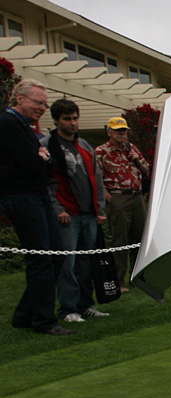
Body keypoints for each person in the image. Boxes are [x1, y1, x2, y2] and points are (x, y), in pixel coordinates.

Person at [0, 80, 75, 335]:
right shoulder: (9, 124)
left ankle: (25, 315)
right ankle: (44, 320)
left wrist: (41, 160)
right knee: (42, 258)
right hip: (22, 197)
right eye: (37, 102)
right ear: (20, 99)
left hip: (34, 195)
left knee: (55, 255)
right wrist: (40, 159)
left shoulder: (24, 127)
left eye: (44, 103)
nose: (42, 107)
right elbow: (34, 164)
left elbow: (47, 163)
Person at [43, 99, 110, 323]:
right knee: (67, 263)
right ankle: (68, 309)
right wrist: (57, 209)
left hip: (89, 214)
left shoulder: (84, 145)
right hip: (66, 214)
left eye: (75, 118)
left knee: (86, 262)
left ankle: (86, 304)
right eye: (67, 119)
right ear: (55, 120)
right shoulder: (48, 144)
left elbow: (96, 178)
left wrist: (99, 209)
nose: (72, 123)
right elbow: (46, 182)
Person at [96, 116, 150, 292]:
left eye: (124, 130)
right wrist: (109, 199)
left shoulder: (131, 148)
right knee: (120, 240)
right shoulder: (101, 152)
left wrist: (135, 158)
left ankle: (138, 278)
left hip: (136, 196)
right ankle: (118, 281)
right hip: (118, 197)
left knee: (139, 238)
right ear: (109, 132)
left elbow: (147, 170)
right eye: (118, 131)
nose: (122, 134)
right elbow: (97, 179)